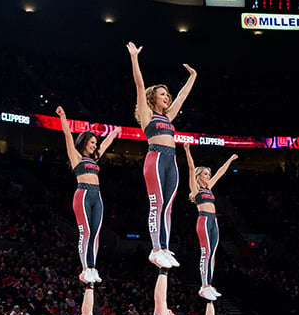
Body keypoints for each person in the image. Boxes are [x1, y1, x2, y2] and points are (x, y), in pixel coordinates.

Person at [127, 41, 197, 269]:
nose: (167, 97)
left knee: (168, 206)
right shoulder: (147, 115)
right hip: (155, 159)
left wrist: (193, 77)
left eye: (167, 94)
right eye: (162, 94)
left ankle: (165, 247)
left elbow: (182, 97)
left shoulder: (168, 117)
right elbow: (139, 85)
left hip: (171, 161)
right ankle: (155, 249)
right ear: (152, 98)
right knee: (156, 205)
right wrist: (135, 58)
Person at [55, 106, 120, 284]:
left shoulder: (95, 159)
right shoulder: (76, 157)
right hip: (82, 194)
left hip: (96, 196)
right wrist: (63, 116)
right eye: (92, 143)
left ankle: (92, 267)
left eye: (95, 143)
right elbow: (68, 137)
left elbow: (105, 145)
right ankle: (86, 268)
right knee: (86, 232)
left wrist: (114, 133)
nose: (95, 146)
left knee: (96, 232)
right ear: (84, 142)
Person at [184, 143, 237, 301]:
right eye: (206, 174)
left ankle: (210, 284)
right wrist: (187, 150)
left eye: (209, 174)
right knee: (205, 252)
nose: (208, 176)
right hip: (204, 219)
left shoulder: (209, 187)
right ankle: (204, 285)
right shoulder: (196, 189)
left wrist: (230, 159)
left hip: (213, 221)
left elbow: (220, 172)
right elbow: (191, 168)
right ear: (200, 175)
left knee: (213, 253)